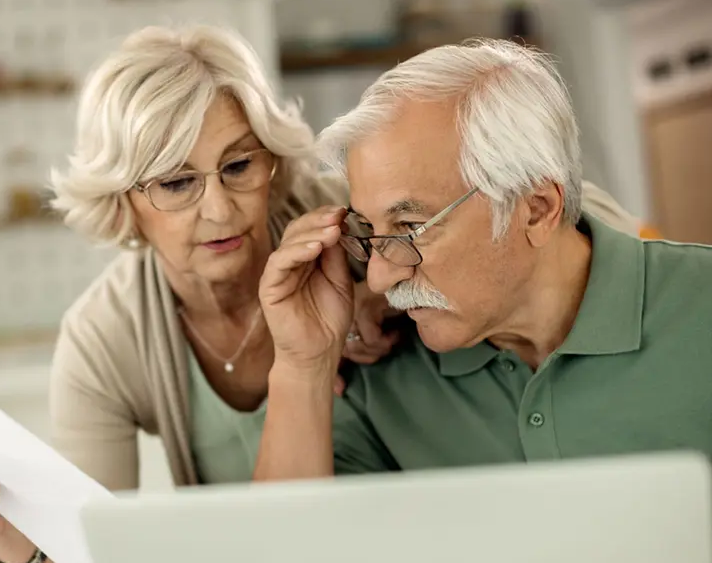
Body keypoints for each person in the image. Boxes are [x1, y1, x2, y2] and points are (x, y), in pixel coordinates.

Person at [0, 25, 396, 563]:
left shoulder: (352, 232)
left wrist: (391, 291)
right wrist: (1, 532)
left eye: (239, 166)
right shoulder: (105, 334)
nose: (221, 210)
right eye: (176, 182)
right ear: (122, 200)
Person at [254, 37, 712, 483]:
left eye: (410, 227)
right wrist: (302, 366)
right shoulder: (378, 371)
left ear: (536, 209)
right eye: (368, 231)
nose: (376, 277)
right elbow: (283, 556)